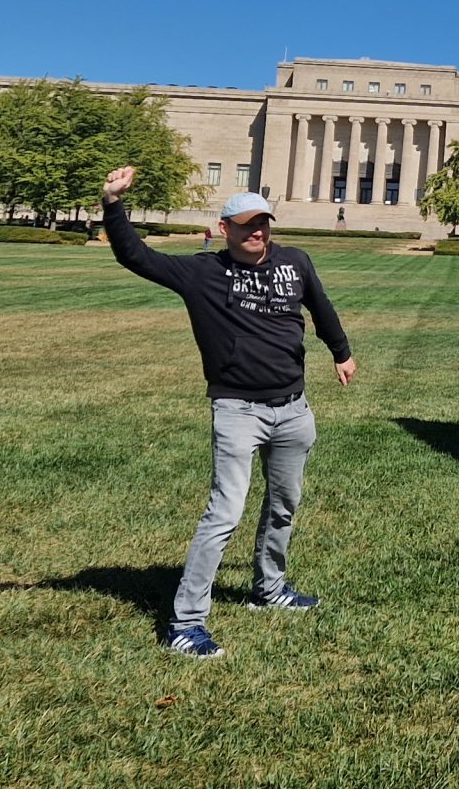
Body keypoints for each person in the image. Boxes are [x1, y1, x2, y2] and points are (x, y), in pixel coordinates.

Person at [100, 166, 355, 659]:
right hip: (239, 410)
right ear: (226, 229)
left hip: (294, 409)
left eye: (263, 223)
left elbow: (321, 309)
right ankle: (185, 622)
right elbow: (136, 257)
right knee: (224, 514)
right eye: (246, 225)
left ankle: (269, 588)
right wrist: (113, 204)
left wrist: (341, 352)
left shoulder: (296, 262)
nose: (257, 231)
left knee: (284, 505)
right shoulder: (202, 273)